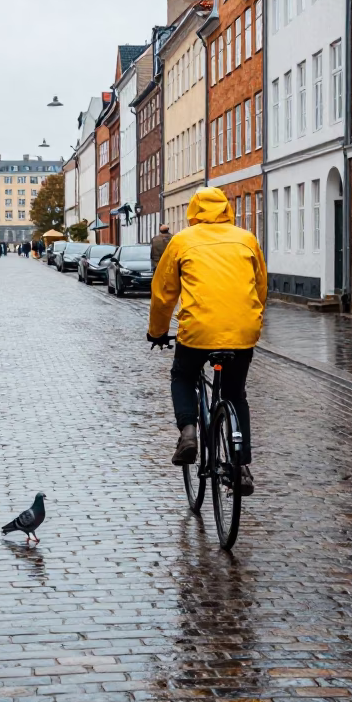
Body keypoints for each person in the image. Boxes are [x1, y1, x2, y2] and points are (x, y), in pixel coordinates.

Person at [147, 187, 267, 496]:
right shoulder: (246, 238)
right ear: (227, 209)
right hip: (242, 332)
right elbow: (260, 287)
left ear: (193, 212)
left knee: (183, 375)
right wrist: (252, 322)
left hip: (198, 331)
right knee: (235, 394)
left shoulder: (182, 241)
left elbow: (163, 295)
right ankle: (241, 466)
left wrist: (158, 331)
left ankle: (188, 431)